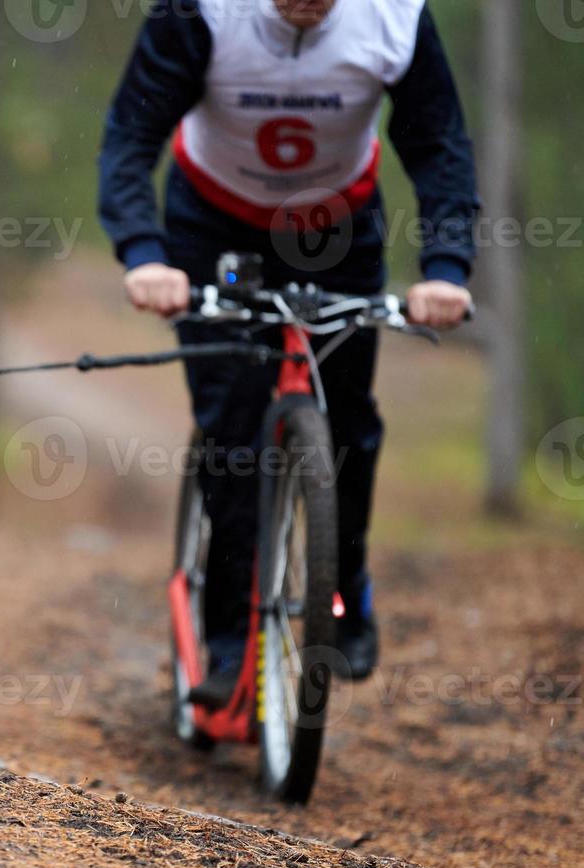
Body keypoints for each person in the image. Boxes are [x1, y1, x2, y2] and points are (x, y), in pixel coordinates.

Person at [98, 0, 478, 707]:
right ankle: (230, 639)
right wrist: (143, 254)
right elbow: (131, 133)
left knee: (350, 425)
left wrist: (447, 268)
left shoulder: (393, 17)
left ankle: (345, 587)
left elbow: (439, 145)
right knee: (234, 430)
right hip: (213, 228)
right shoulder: (202, 12)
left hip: (334, 228)